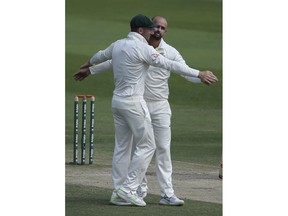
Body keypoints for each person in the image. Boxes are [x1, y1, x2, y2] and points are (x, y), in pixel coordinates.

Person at [74, 14, 218, 207]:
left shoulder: (122, 44)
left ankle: (149, 192)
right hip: (136, 103)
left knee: (148, 147)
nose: (155, 30)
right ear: (142, 30)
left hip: (138, 103)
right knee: (144, 146)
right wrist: (199, 73)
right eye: (152, 27)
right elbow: (165, 64)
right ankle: (130, 189)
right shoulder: (143, 48)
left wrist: (89, 66)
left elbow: (103, 56)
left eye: (160, 28)